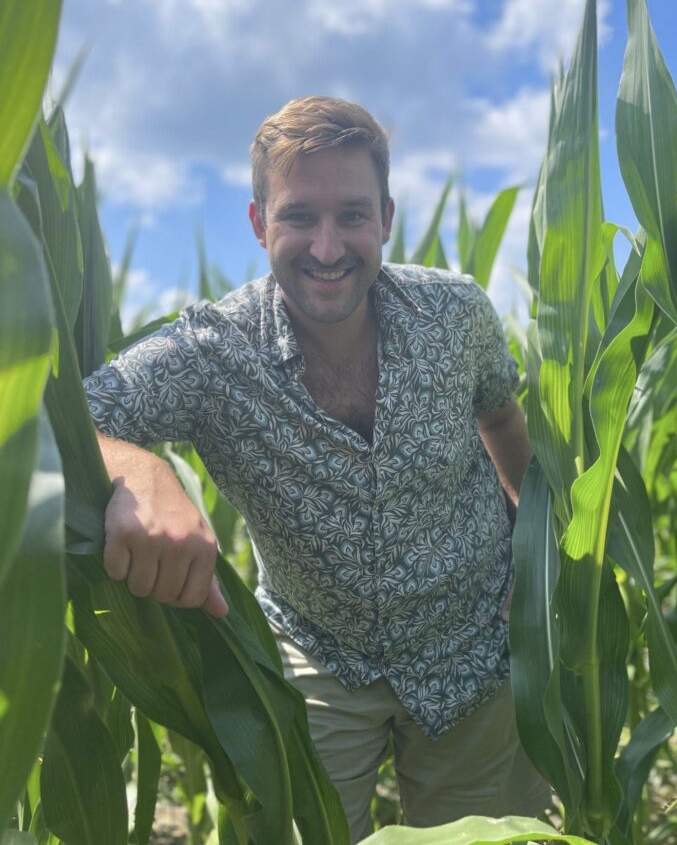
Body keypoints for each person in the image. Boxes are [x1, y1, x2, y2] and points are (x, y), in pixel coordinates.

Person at [84, 96, 550, 842]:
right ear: (259, 222)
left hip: (474, 646)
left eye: (352, 216)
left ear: (386, 218)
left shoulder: (455, 316)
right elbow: (63, 420)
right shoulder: (212, 353)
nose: (328, 246)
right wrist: (139, 470)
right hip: (316, 652)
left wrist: (537, 547)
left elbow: (500, 416)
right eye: (299, 216)